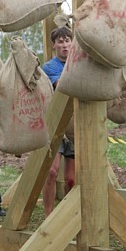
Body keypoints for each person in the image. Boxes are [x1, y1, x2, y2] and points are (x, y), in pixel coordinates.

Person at [41, 25, 75, 216]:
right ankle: (48, 215)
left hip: (74, 128)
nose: (65, 45)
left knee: (71, 179)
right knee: (52, 172)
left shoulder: (78, 63)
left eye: (68, 40)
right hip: (54, 127)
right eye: (60, 42)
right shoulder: (50, 67)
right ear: (54, 45)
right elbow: (62, 85)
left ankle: (67, 214)